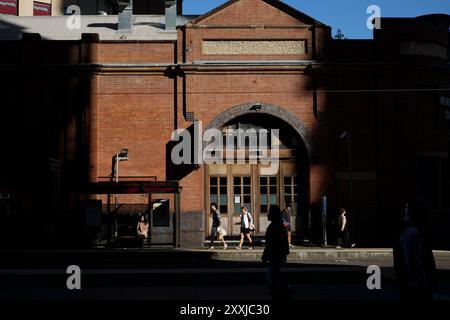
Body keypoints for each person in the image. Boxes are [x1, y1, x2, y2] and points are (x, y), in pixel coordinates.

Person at [393, 198, 436, 300]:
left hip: (410, 287)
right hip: (415, 289)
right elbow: (413, 262)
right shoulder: (412, 233)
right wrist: (423, 283)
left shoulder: (407, 231)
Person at [262, 205, 292, 300]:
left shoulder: (275, 226)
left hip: (276, 256)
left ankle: (283, 292)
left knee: (271, 277)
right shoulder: (277, 225)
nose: (268, 215)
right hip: (278, 255)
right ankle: (283, 292)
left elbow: (270, 244)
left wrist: (265, 257)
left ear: (273, 214)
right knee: (273, 277)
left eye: (270, 212)